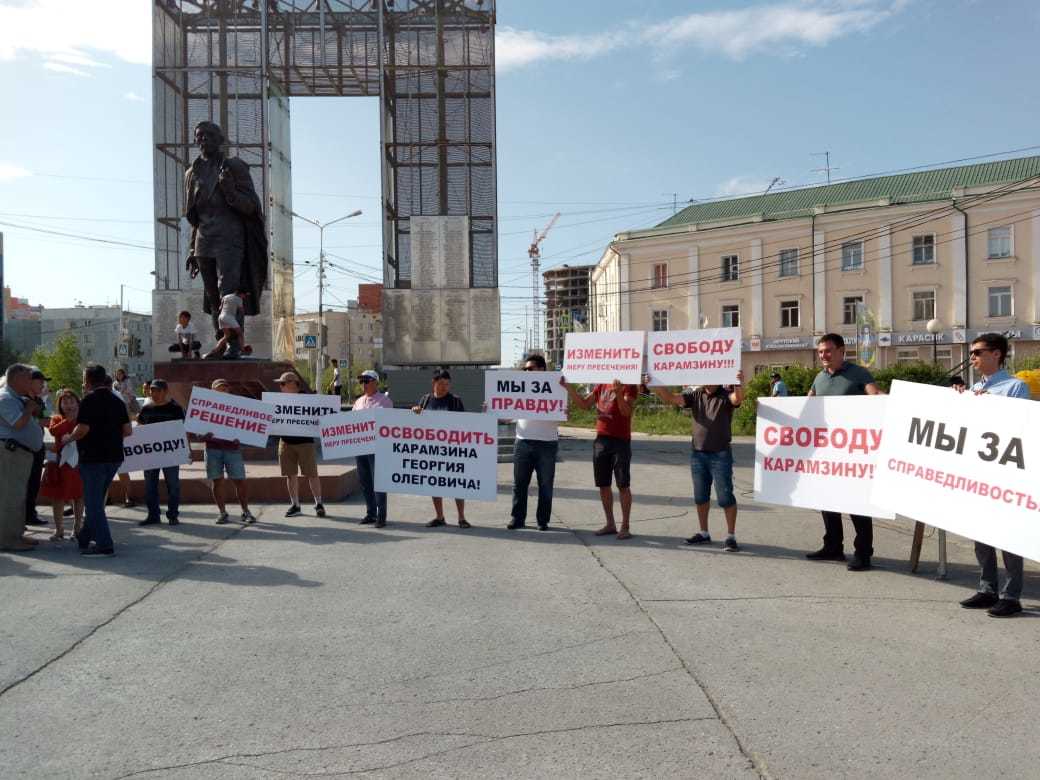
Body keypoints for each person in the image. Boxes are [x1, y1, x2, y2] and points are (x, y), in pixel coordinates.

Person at [955, 333, 1032, 618]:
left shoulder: (1016, 387)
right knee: (981, 533)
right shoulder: (975, 387)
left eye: (977, 352)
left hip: (1005, 474)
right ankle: (988, 588)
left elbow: (1018, 428)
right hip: (978, 473)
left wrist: (988, 405)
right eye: (972, 352)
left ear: (997, 354)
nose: (972, 357)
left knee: (1008, 536)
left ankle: (1011, 595)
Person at [184, 120, 268, 347]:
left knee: (229, 296)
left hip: (230, 239)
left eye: (209, 135)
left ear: (220, 140)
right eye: (199, 136)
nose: (203, 139)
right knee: (213, 298)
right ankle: (220, 341)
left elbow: (252, 206)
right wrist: (192, 248)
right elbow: (195, 216)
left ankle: (234, 345)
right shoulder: (192, 173)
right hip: (204, 240)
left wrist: (230, 192)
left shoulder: (234, 167)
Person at [805, 333, 883, 571]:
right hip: (826, 451)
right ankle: (833, 547)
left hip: (854, 452)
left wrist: (892, 400)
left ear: (841, 351)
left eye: (828, 351)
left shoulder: (858, 373)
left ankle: (863, 553)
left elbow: (875, 395)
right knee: (826, 499)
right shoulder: (819, 377)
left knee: (857, 503)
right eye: (820, 352)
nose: (823, 356)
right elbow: (807, 405)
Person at [649, 371, 745, 551]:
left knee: (725, 497)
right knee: (701, 497)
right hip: (698, 454)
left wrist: (738, 382)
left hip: (720, 454)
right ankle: (704, 533)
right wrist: (654, 384)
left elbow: (737, 399)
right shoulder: (696, 395)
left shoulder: (725, 395)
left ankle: (731, 536)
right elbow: (671, 398)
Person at [61, 363, 132, 556]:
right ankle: (84, 537)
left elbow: (83, 429)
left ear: (88, 380)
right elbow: (128, 431)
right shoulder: (118, 401)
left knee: (93, 505)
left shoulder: (88, 400)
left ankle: (104, 545)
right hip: (114, 457)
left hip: (93, 458)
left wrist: (70, 437)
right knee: (97, 500)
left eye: (84, 378)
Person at [563, 377, 638, 540]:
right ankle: (610, 524)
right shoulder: (601, 384)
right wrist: (568, 387)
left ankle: (625, 526)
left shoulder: (629, 385)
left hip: (621, 441)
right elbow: (584, 405)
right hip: (601, 440)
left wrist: (619, 394)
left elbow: (626, 412)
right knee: (603, 485)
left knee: (623, 485)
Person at [508, 354, 560, 531]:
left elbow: (563, 414)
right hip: (523, 442)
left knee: (545, 484)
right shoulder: (520, 388)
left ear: (542, 369)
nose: (526, 372)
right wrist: (492, 409)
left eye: (530, 369)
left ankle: (542, 520)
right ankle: (517, 518)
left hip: (547, 443)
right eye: (525, 370)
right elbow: (508, 415)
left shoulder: (557, 386)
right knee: (519, 484)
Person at [412, 368, 469, 529]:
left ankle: (461, 517)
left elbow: (464, 424)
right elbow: (416, 424)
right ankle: (439, 516)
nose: (444, 387)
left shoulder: (455, 401)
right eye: (441, 383)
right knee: (434, 483)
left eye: (447, 384)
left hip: (451, 449)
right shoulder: (425, 400)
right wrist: (415, 412)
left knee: (457, 483)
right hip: (431, 450)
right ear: (433, 383)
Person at [0, 364, 45, 552]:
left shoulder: (16, 397)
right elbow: (17, 423)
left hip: (20, 454)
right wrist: (28, 409)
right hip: (11, 453)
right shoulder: (5, 398)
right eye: (28, 378)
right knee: (10, 497)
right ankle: (8, 540)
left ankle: (16, 534)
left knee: (18, 496)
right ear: (16, 379)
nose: (31, 381)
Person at [274, 371, 325, 518]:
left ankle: (319, 503)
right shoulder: (277, 401)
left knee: (312, 474)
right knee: (290, 475)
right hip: (285, 442)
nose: (280, 386)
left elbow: (322, 416)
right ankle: (295, 505)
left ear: (292, 384)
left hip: (305, 443)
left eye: (282, 383)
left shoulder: (308, 399)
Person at [204, 379, 255, 525]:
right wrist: (203, 436)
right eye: (219, 388)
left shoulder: (237, 406)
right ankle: (222, 513)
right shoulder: (204, 407)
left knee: (240, 481)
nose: (222, 391)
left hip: (232, 449)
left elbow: (246, 426)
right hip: (212, 449)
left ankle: (245, 511)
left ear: (229, 390)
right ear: (212, 391)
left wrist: (242, 438)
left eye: (225, 388)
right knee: (217, 481)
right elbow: (197, 431)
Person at [136, 379, 185, 527]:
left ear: (165, 391)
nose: (154, 393)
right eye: (152, 390)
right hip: (151, 455)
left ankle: (173, 515)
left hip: (171, 454)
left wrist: (186, 450)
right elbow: (139, 427)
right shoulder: (146, 409)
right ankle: (153, 515)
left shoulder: (175, 409)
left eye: (157, 390)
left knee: (173, 485)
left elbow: (182, 430)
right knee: (150, 485)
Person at [39, 389, 84, 540]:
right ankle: (59, 529)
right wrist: (69, 420)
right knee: (57, 497)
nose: (69, 405)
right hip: (60, 465)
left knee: (78, 496)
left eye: (72, 401)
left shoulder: (83, 418)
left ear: (78, 403)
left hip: (78, 464)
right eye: (65, 402)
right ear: (60, 405)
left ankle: (78, 527)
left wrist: (76, 420)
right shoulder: (57, 418)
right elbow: (53, 431)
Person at [352, 370, 391, 527]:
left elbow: (386, 422)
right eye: (362, 381)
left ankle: (381, 515)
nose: (364, 384)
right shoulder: (358, 402)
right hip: (360, 447)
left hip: (377, 448)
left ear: (376, 382)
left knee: (379, 482)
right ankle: (370, 513)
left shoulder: (385, 401)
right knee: (365, 481)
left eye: (367, 381)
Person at [24, 367, 50, 528]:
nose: (43, 385)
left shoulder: (39, 401)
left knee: (34, 482)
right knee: (22, 483)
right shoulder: (21, 400)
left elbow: (46, 419)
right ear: (30, 382)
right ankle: (21, 516)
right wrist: (38, 422)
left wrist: (41, 421)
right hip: (23, 447)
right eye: (40, 381)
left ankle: (30, 513)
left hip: (37, 445)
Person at [107, 374, 136, 509]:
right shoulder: (93, 396)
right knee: (103, 471)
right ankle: (106, 497)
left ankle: (128, 495)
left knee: (122, 469)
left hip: (116, 438)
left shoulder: (117, 396)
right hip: (102, 439)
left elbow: (126, 418)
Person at [204, 288, 249, 360]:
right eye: (244, 295)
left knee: (226, 336)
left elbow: (220, 308)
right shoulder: (239, 299)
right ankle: (243, 350)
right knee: (240, 334)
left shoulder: (226, 296)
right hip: (229, 318)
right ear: (241, 294)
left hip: (221, 318)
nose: (244, 297)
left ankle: (214, 351)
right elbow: (242, 311)